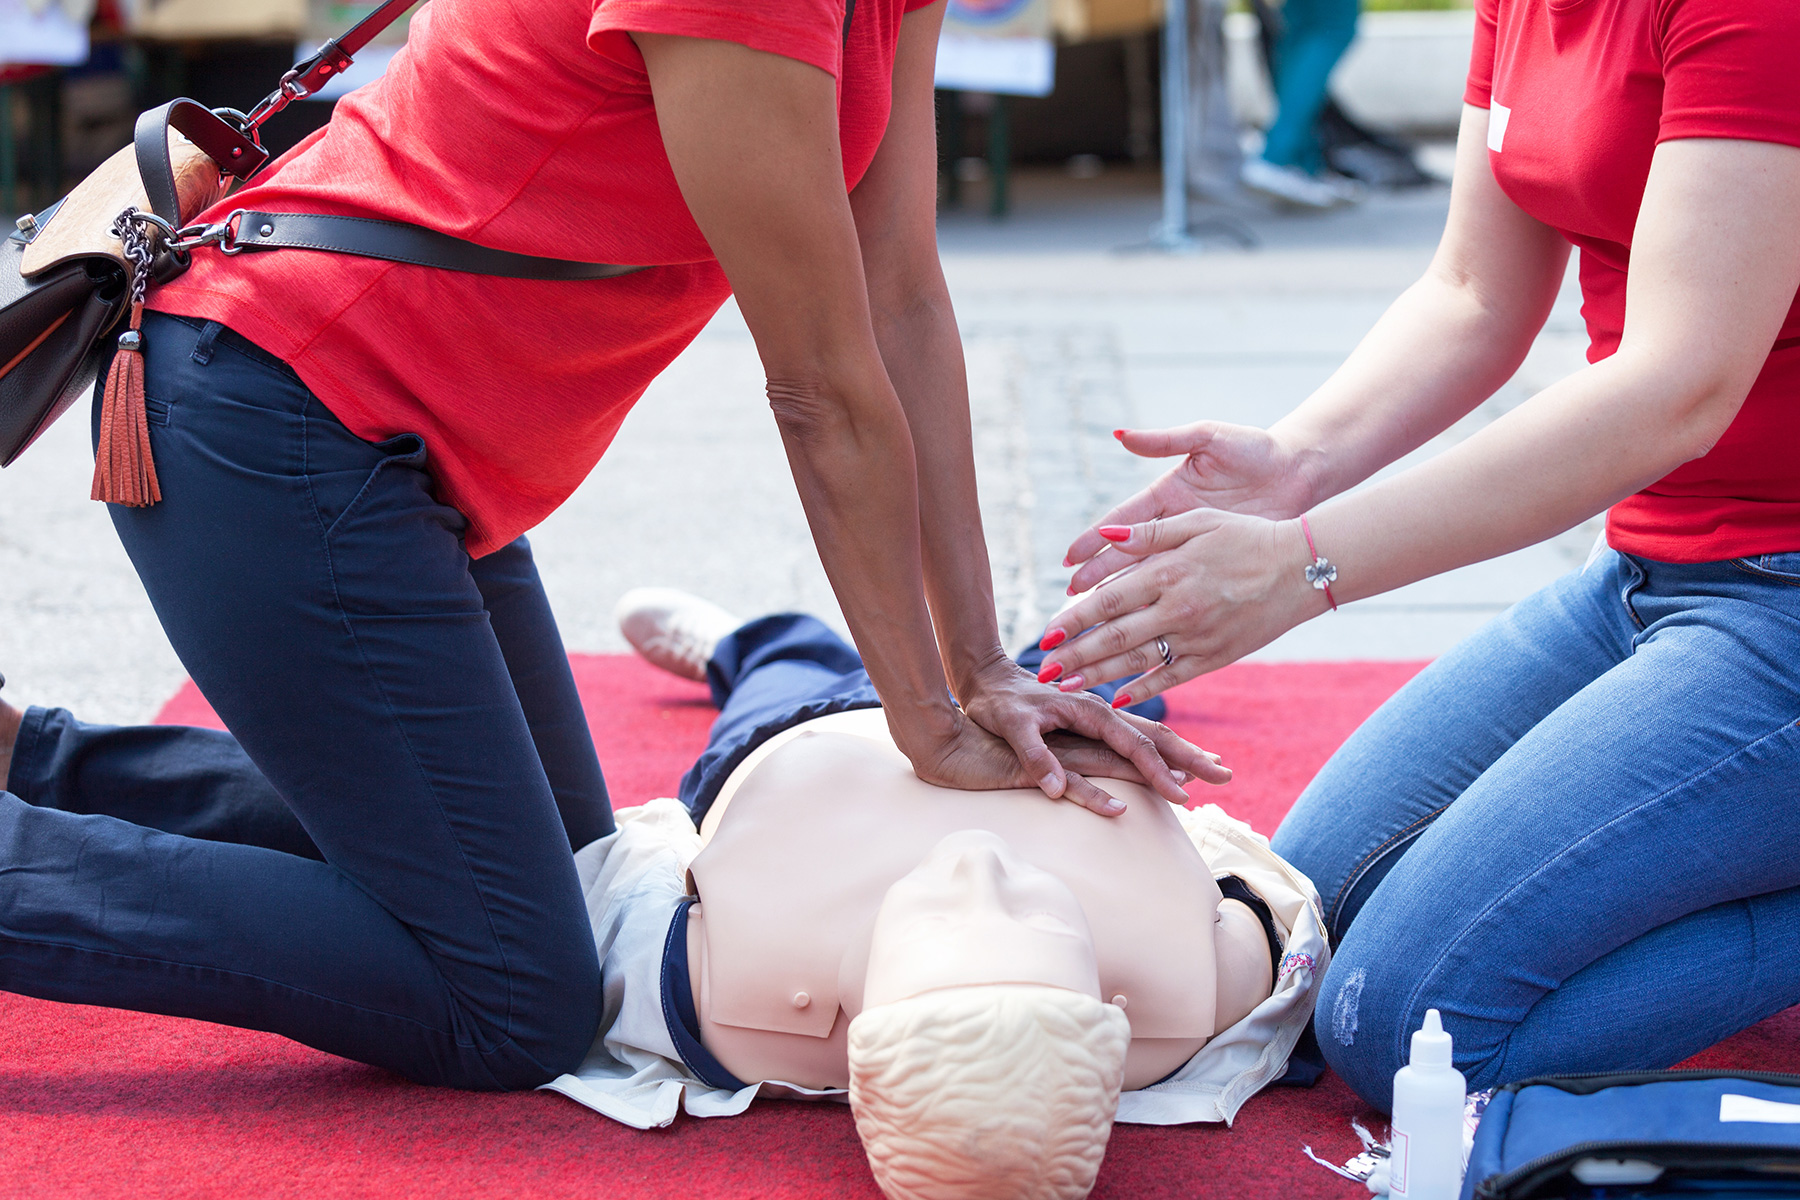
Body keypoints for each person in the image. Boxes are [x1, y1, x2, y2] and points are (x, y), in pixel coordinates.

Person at [0, 0, 1214, 1090]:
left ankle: (26, 767)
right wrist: (927, 718)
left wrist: (978, 664)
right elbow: (821, 391)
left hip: (402, 446)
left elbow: (898, 297)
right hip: (285, 419)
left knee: (565, 882)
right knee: (512, 999)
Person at [1037, 0, 1800, 1108]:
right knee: (1309, 919)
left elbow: (1677, 389)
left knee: (1405, 1036)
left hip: (1779, 596)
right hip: (1651, 572)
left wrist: (1303, 565)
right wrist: (1293, 464)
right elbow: (1474, 294)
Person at [0, 597, 1330, 1200]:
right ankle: (775, 638)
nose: (980, 870)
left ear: (848, 1026)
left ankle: (756, 646)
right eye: (1031, 918)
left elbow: (712, 846)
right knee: (1093, 684)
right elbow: (1279, 924)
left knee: (777, 681)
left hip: (787, 751)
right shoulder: (1196, 995)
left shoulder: (745, 995)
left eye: (941, 920)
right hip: (955, 730)